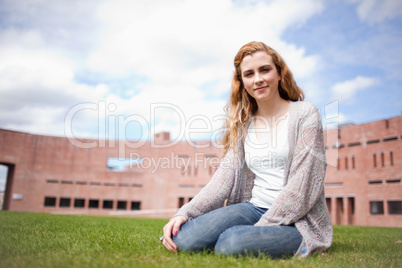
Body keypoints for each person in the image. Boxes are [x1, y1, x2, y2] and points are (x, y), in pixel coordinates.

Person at [160, 41, 333, 258]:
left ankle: (257, 239)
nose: (258, 79)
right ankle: (240, 236)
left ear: (279, 73)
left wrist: (261, 228)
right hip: (254, 207)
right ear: (242, 82)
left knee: (230, 244)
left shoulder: (305, 114)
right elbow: (224, 179)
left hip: (298, 220)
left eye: (265, 70)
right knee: (183, 239)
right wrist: (186, 212)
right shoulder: (243, 123)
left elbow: (303, 188)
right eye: (249, 74)